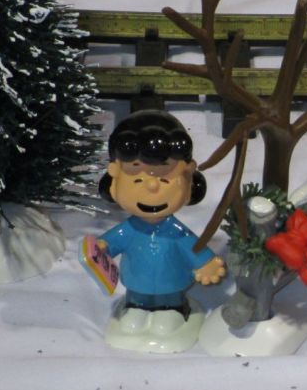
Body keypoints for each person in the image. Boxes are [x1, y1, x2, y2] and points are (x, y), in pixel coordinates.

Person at [96, 111, 225, 342]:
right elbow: (107, 245)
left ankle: (172, 310)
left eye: (165, 179)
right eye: (137, 179)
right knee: (132, 319)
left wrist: (206, 264)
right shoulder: (129, 229)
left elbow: (193, 247)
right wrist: (99, 249)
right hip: (135, 286)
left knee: (166, 322)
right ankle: (136, 308)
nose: (152, 187)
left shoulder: (176, 232)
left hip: (172, 287)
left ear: (188, 180)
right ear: (114, 181)